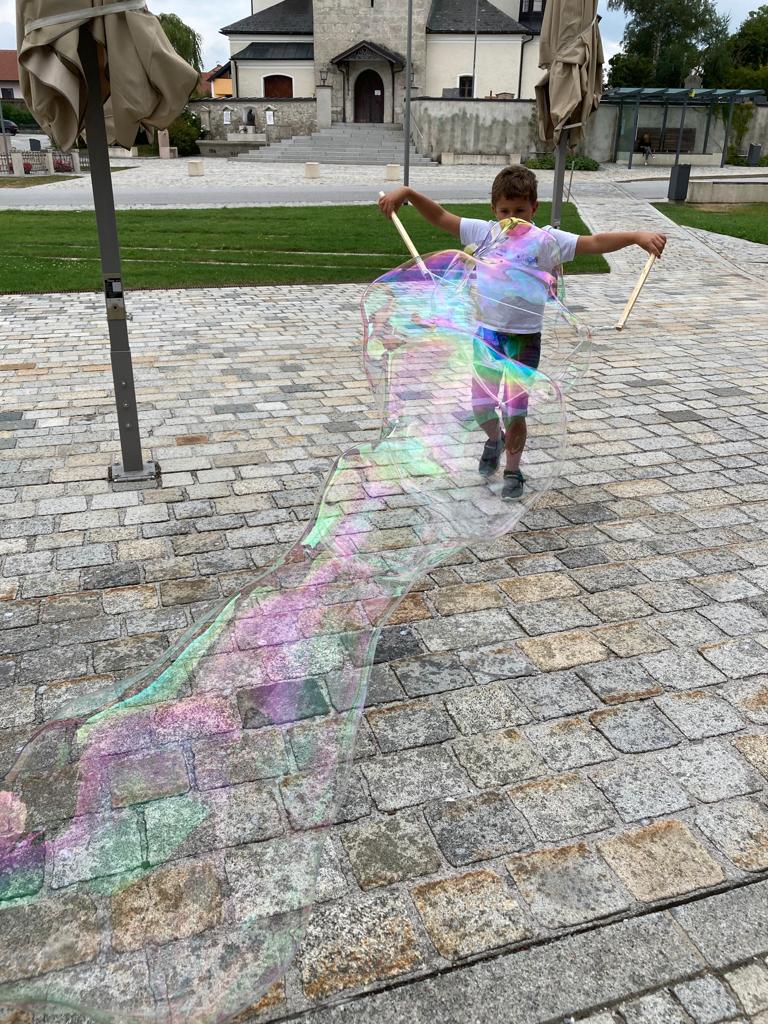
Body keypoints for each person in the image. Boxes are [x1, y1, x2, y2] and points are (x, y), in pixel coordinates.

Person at [378, 165, 666, 500]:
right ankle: (494, 439)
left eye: (520, 210)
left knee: (516, 411)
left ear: (534, 208)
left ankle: (513, 471)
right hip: (487, 336)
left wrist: (636, 236)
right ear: (493, 209)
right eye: (505, 211)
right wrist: (408, 193)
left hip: (525, 340)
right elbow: (442, 217)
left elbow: (595, 242)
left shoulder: (546, 241)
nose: (512, 218)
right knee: (481, 407)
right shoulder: (484, 234)